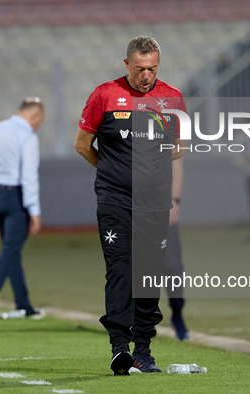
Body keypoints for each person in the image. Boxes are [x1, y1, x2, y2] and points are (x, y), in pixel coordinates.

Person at [74, 36, 186, 375]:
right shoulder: (104, 95)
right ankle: (119, 348)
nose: (146, 76)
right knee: (121, 271)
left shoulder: (172, 98)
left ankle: (144, 351)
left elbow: (179, 148)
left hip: (154, 203)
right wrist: (112, 170)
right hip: (115, 201)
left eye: (152, 69)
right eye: (140, 69)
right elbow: (82, 145)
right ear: (127, 65)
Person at [0, 97, 46, 320]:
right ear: (34, 116)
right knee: (11, 249)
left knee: (11, 250)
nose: (38, 126)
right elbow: (29, 176)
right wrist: (34, 210)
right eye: (39, 122)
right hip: (16, 196)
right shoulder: (27, 137)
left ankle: (24, 304)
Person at [164, 158, 189, 340]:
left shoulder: (164, 129)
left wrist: (174, 200)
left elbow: (176, 161)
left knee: (172, 265)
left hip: (162, 203)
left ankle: (177, 311)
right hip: (133, 203)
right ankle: (140, 319)